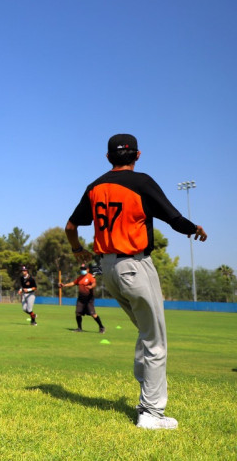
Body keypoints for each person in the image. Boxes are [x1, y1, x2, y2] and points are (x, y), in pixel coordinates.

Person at [65, 133, 207, 430]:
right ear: (138, 155)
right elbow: (175, 219)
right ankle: (151, 413)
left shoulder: (95, 186)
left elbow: (71, 226)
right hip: (134, 265)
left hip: (108, 269)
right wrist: (195, 228)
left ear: (107, 158)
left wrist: (79, 250)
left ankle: (146, 399)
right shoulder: (142, 182)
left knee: (146, 334)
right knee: (155, 340)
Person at [60, 264, 105, 333]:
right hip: (81, 298)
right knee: (78, 313)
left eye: (84, 269)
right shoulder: (80, 277)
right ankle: (79, 328)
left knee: (93, 314)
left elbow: (94, 283)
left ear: (87, 269)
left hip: (88, 299)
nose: (82, 270)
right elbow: (73, 283)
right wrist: (65, 285)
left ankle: (101, 327)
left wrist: (91, 286)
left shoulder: (90, 276)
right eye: (81, 269)